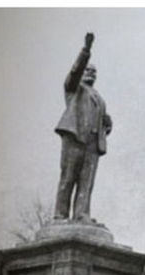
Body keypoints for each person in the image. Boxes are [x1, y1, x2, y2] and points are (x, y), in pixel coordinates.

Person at [54, 32, 112, 223]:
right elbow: (75, 71)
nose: (91, 73)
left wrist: (107, 123)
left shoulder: (98, 97)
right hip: (75, 137)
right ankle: (60, 215)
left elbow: (101, 118)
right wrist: (86, 50)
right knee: (68, 176)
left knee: (86, 182)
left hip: (93, 142)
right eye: (88, 70)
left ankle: (81, 214)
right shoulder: (74, 88)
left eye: (94, 71)